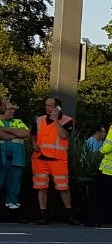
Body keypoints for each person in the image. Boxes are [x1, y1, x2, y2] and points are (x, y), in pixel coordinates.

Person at [32, 96, 77, 224]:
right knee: (41, 186)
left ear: (57, 107)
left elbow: (63, 135)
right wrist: (34, 143)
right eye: (46, 105)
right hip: (40, 158)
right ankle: (42, 213)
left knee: (63, 187)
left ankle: (69, 213)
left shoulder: (67, 120)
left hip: (57, 158)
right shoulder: (39, 120)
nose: (47, 108)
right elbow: (33, 135)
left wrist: (56, 120)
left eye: (50, 106)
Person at [0, 98, 31, 217]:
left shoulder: (17, 121)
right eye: (10, 108)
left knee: (14, 184)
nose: (13, 111)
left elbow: (26, 134)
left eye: (14, 108)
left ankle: (12, 209)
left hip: (16, 159)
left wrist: (6, 130)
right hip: (2, 158)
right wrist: (14, 134)